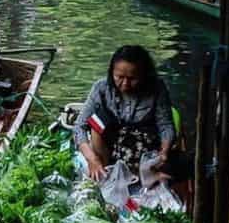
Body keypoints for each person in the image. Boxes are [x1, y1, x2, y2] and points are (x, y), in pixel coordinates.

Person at [73, 45, 176, 181]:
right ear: (112, 73)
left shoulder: (157, 89)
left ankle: (143, 174)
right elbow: (79, 126)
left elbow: (165, 126)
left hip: (143, 148)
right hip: (108, 150)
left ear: (144, 75)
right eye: (119, 77)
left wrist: (164, 152)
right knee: (97, 122)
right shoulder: (101, 88)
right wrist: (92, 159)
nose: (125, 84)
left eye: (132, 78)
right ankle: (104, 171)